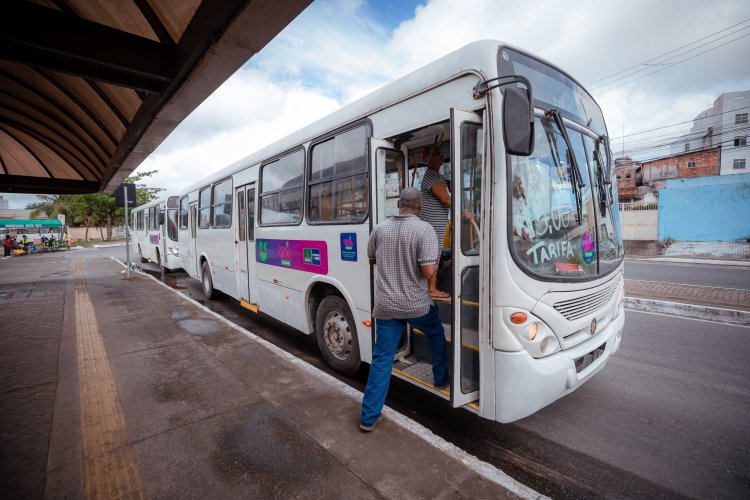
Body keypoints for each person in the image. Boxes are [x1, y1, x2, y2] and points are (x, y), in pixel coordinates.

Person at [360, 187, 449, 432]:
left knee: (381, 360)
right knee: (436, 335)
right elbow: (428, 272)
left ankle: (368, 418)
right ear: (420, 206)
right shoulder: (425, 229)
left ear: (399, 204)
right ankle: (441, 380)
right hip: (416, 305)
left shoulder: (379, 229)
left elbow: (372, 260)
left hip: (387, 307)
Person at [418, 147, 451, 298]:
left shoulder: (437, 176)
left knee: (434, 254)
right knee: (432, 254)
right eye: (437, 154)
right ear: (428, 159)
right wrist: (463, 212)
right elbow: (445, 199)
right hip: (431, 223)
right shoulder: (431, 176)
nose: (441, 156)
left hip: (436, 223)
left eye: (441, 154)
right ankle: (432, 289)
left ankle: (430, 286)